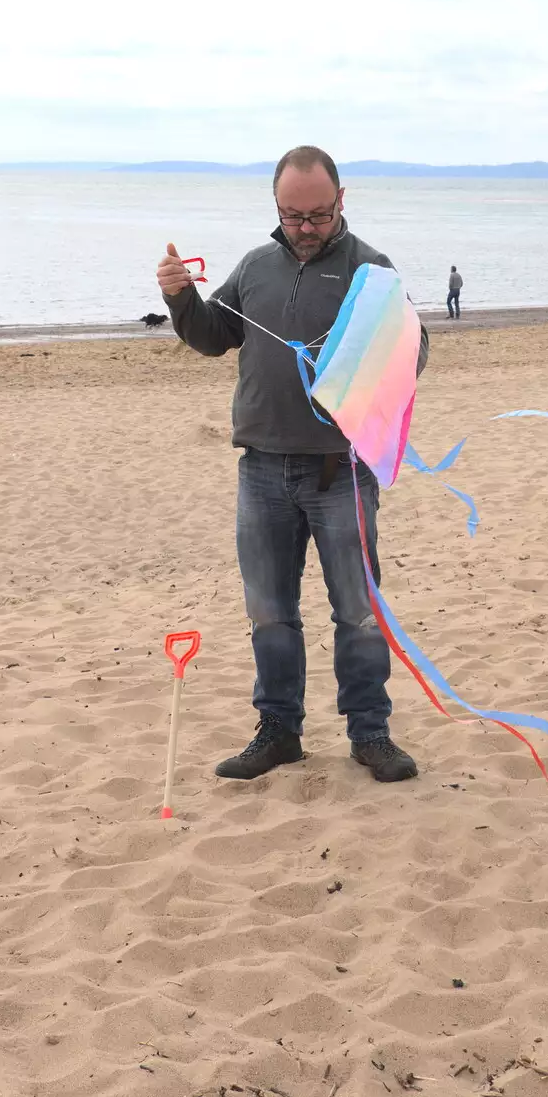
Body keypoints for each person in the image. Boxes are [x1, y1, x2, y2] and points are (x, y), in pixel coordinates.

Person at [156, 145, 429, 785]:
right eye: (293, 215)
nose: (306, 228)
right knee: (269, 611)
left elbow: (413, 356)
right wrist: (179, 298)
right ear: (276, 207)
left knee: (357, 612)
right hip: (262, 471)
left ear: (341, 202)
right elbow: (210, 337)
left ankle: (371, 734)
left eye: (318, 215)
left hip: (341, 473)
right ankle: (279, 732)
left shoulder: (371, 268)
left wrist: (356, 364)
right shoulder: (255, 267)